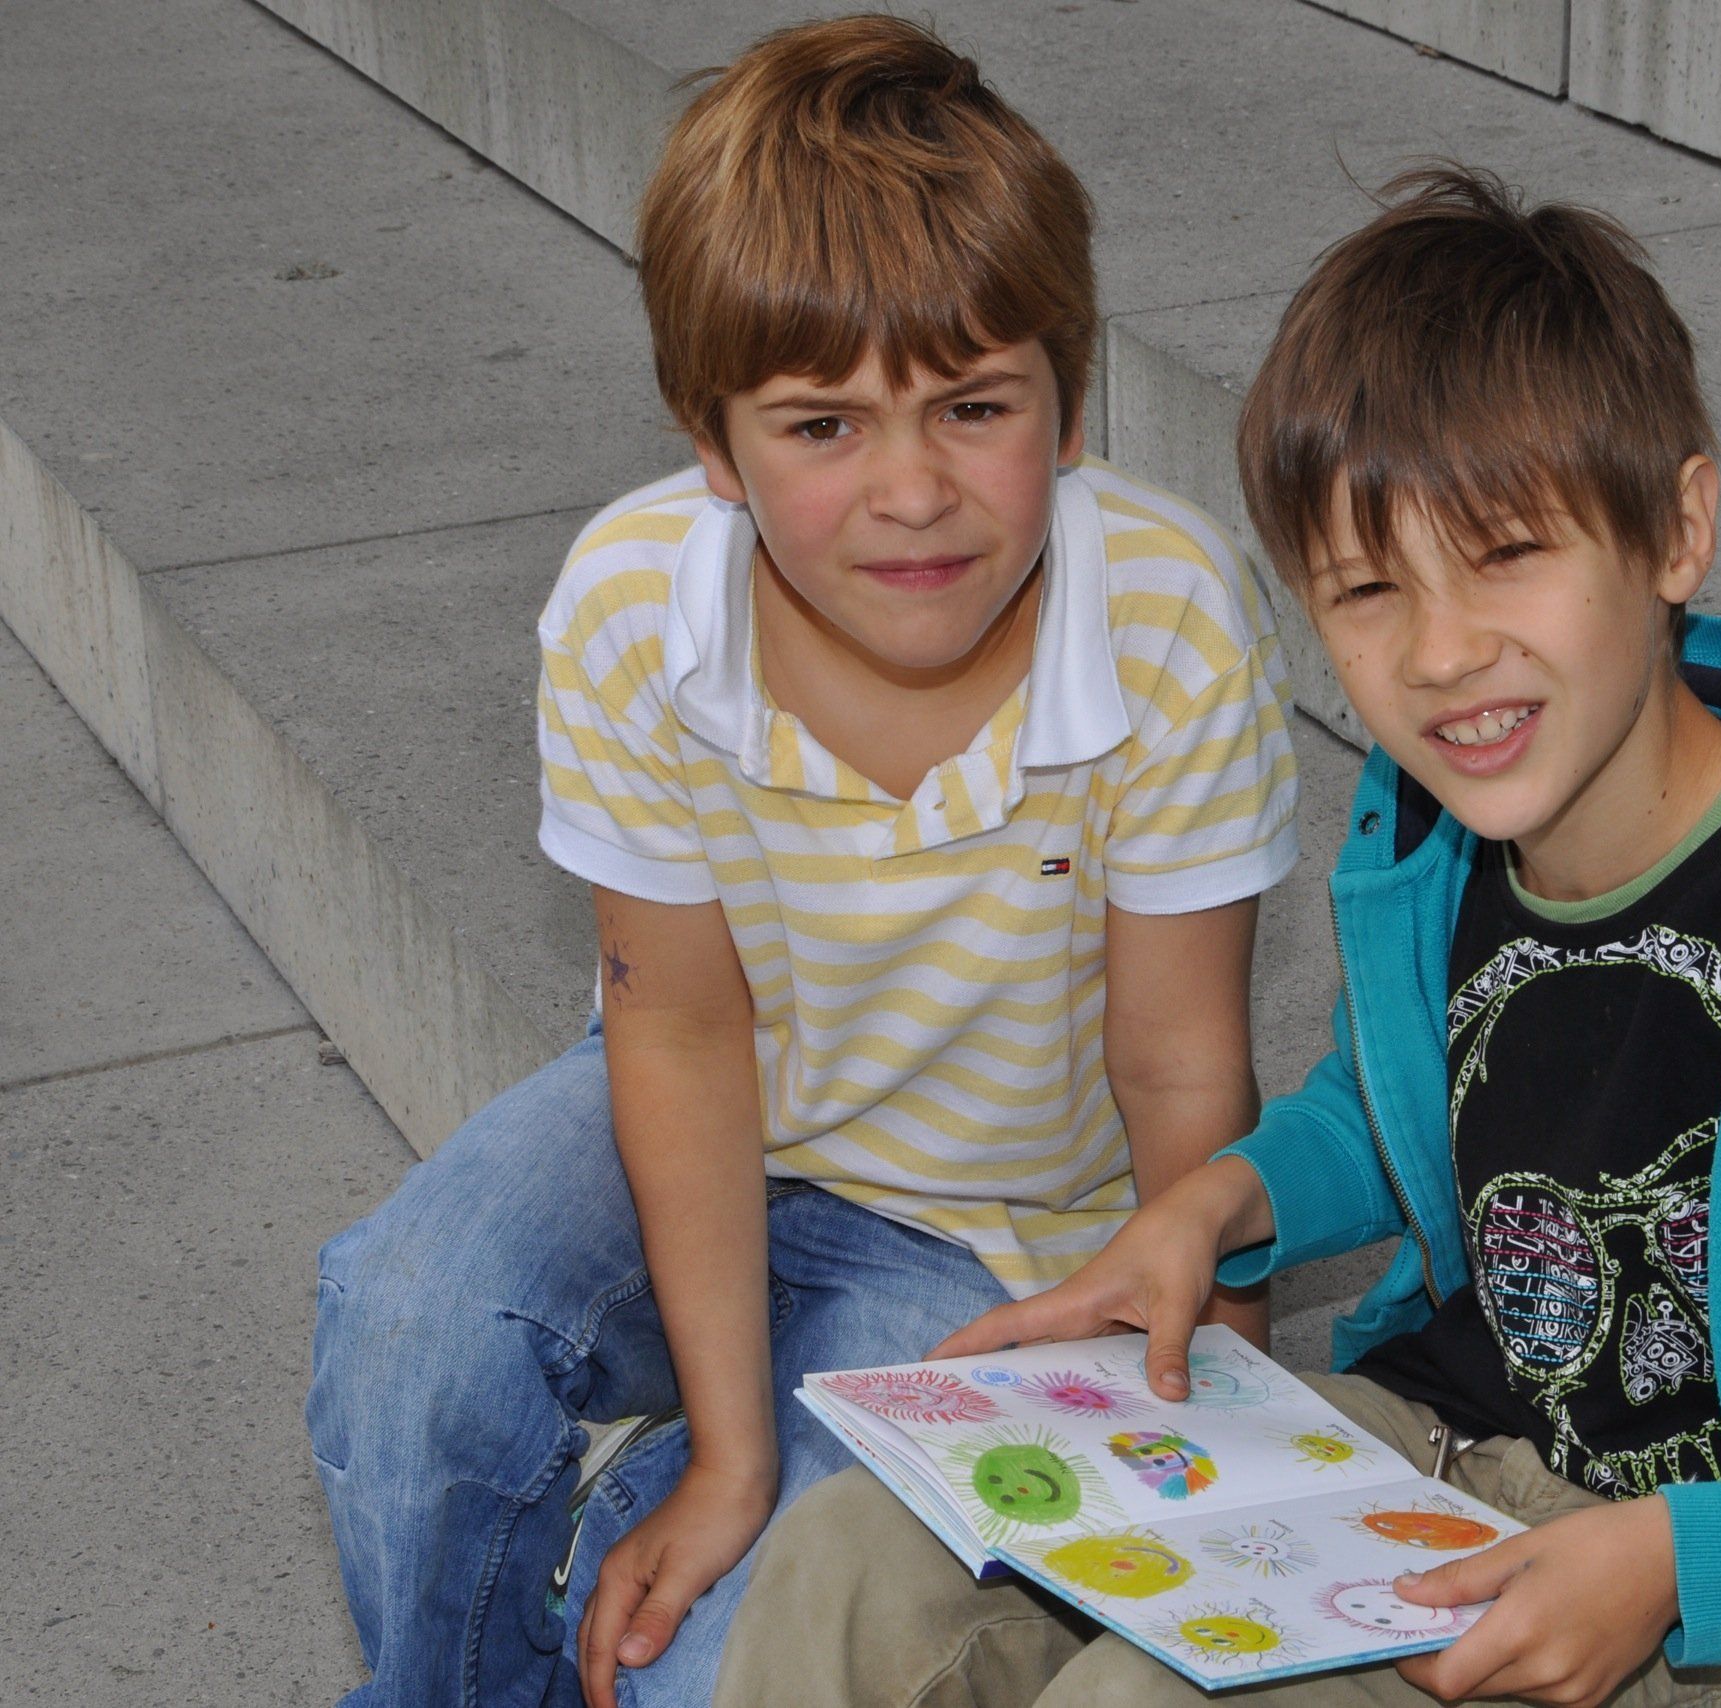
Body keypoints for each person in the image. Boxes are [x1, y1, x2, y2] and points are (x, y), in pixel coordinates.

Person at [712, 165, 1721, 1708]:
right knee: (856, 1560)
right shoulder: (1447, 849)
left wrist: (1683, 1564)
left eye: (1505, 554)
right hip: (1440, 1460)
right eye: (1368, 589)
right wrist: (1223, 1203)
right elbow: (1412, 1104)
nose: (1438, 653)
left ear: (1676, 530)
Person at [303, 17, 1301, 1707]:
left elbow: (1179, 1060)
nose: (911, 491)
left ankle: (647, 1537)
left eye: (972, 407)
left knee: (725, 1672)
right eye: (822, 426)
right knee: (414, 1319)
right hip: (708, 1125)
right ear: (714, 444)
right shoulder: (636, 607)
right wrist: (730, 1459)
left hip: (997, 1235)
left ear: (1070, 404)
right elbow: (682, 1030)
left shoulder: (1170, 615)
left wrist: (1227, 1421)